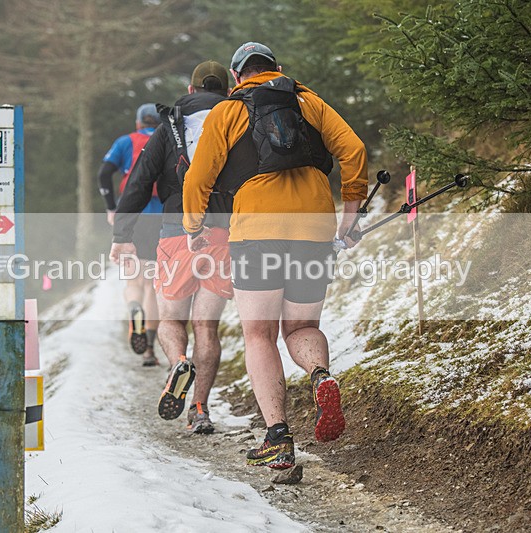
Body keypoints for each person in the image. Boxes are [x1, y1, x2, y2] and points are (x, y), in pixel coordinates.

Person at [182, 42, 368, 468]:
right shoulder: (309, 101)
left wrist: (194, 228)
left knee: (259, 334)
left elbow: (198, 178)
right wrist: (350, 215)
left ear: (236, 77)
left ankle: (278, 438)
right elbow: (353, 151)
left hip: (257, 232)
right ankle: (321, 376)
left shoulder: (226, 113)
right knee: (301, 325)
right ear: (278, 70)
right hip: (314, 228)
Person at [110, 61, 233, 434]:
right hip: (222, 233)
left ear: (192, 90)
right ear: (226, 90)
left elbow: (138, 181)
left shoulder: (169, 127)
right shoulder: (236, 120)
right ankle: (200, 408)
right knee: (207, 328)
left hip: (175, 230)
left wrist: (121, 235)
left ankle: (178, 360)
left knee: (171, 320)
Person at [97, 104, 162, 366]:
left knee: (133, 281)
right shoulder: (167, 139)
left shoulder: (125, 142)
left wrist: (111, 207)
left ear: (138, 123)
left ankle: (133, 308)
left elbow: (104, 174)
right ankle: (149, 350)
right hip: (161, 216)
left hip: (131, 214)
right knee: (152, 285)